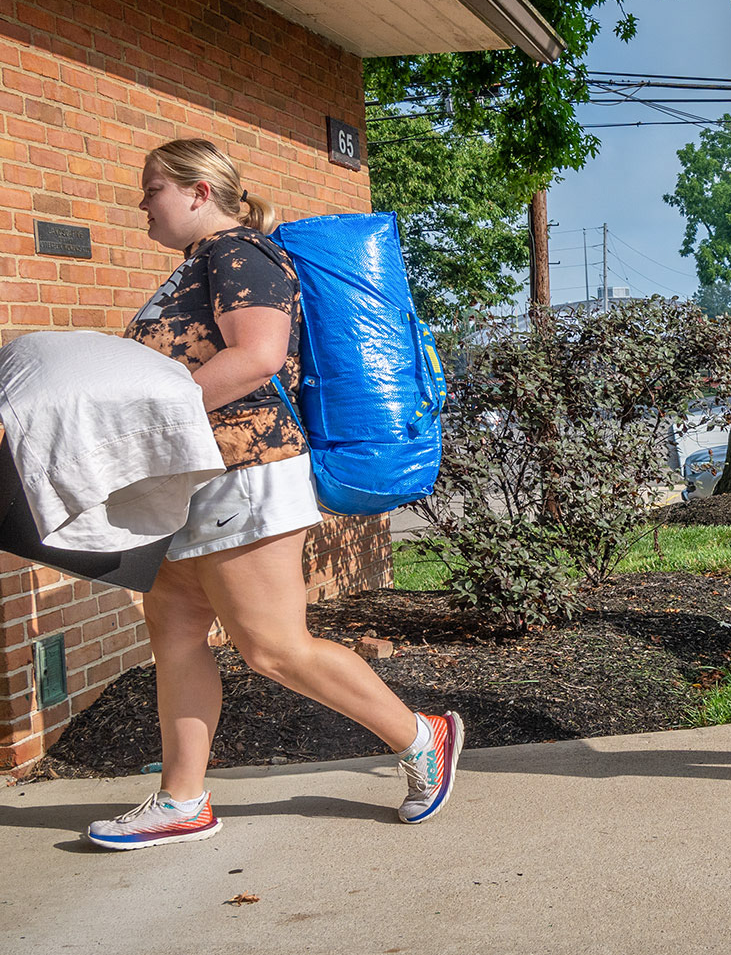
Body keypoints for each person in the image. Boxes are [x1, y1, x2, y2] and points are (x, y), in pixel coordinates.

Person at [85, 139, 462, 850]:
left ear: (199, 191)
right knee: (172, 629)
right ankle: (182, 798)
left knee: (273, 647)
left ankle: (423, 736)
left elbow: (256, 355)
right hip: (197, 479)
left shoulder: (239, 253)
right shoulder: (201, 262)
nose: (142, 202)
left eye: (152, 188)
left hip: (246, 474)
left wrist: (147, 421)